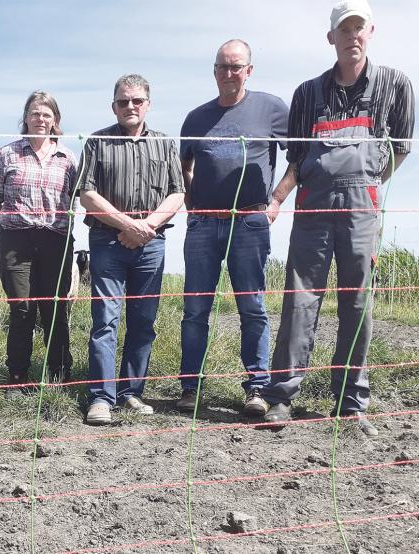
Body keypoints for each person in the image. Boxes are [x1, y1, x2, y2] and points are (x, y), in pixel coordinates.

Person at [262, 0, 415, 435]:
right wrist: (277, 199)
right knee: (299, 297)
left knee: (357, 300)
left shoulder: (395, 85)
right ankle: (281, 396)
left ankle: (351, 403)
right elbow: (296, 157)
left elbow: (400, 148)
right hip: (312, 204)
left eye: (359, 28)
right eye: (343, 30)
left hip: (361, 208)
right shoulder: (307, 94)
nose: (352, 36)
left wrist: (368, 185)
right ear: (331, 38)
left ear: (371, 32)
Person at [176, 39, 288, 417]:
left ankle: (257, 388)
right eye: (223, 66)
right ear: (214, 71)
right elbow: (183, 166)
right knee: (195, 309)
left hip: (250, 222)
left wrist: (276, 201)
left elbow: (301, 155)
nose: (229, 73)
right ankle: (190, 387)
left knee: (253, 307)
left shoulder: (271, 109)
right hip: (204, 225)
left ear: (249, 70)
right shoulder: (195, 118)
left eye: (236, 66)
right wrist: (192, 205)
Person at [78, 74, 185, 425]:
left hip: (151, 244)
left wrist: (147, 226)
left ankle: (131, 393)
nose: (130, 107)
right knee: (105, 320)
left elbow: (177, 193)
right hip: (107, 242)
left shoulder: (166, 144)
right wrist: (128, 225)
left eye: (137, 100)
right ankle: (101, 398)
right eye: (123, 101)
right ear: (114, 106)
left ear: (148, 104)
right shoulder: (97, 142)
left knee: (143, 321)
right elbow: (87, 194)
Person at [0, 91, 77, 396]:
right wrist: (11, 229)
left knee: (55, 308)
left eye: (46, 114)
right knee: (22, 308)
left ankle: (59, 373)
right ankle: (17, 376)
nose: (40, 119)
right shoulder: (6, 155)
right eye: (35, 113)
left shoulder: (68, 157)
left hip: (56, 240)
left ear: (55, 120)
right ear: (25, 117)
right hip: (16, 241)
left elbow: (76, 198)